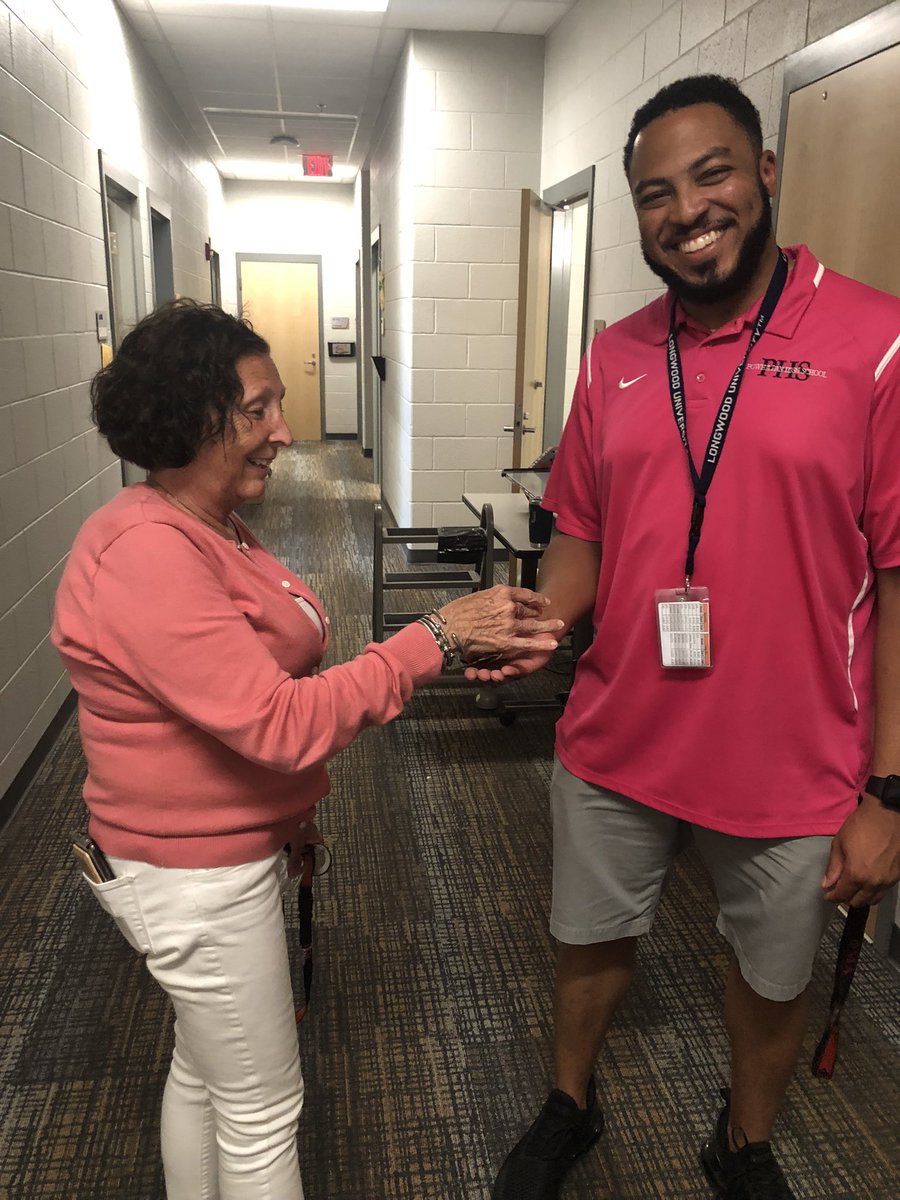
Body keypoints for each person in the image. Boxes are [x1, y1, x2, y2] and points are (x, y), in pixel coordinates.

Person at [486, 74, 900, 1200]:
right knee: (588, 942)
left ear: (766, 173)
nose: (687, 209)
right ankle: (571, 1103)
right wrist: (544, 619)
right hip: (619, 733)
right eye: (655, 193)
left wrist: (893, 791)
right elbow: (581, 530)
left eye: (712, 174)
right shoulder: (615, 357)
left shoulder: (875, 340)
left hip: (795, 758)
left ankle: (744, 1140)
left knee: (771, 978)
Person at [51, 299, 563, 1200]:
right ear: (189, 413)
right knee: (261, 1114)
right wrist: (432, 637)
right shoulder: (144, 550)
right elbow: (278, 722)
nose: (284, 431)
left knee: (206, 1076)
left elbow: (240, 713)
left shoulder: (207, 526)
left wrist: (288, 818)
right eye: (257, 410)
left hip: (217, 850)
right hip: (193, 876)